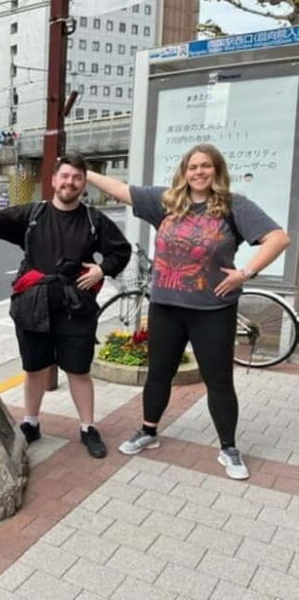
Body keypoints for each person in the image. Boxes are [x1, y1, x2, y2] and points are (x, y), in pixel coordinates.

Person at [86, 143, 290, 480]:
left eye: (205, 166)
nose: (198, 172)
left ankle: (228, 447)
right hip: (166, 307)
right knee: (158, 373)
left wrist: (245, 273)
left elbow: (278, 238)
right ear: (184, 172)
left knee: (219, 380)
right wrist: (84, 170)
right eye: (193, 167)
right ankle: (148, 432)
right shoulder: (168, 202)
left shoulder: (232, 206)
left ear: (216, 171)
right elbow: (121, 190)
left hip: (212, 310)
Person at [0, 153, 131, 459]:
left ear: (83, 184)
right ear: (54, 180)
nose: (70, 182)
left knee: (79, 370)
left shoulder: (93, 220)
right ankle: (31, 424)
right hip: (35, 306)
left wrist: (103, 269)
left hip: (76, 307)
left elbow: (121, 250)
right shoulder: (33, 215)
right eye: (65, 176)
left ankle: (88, 427)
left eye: (76, 178)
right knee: (33, 369)